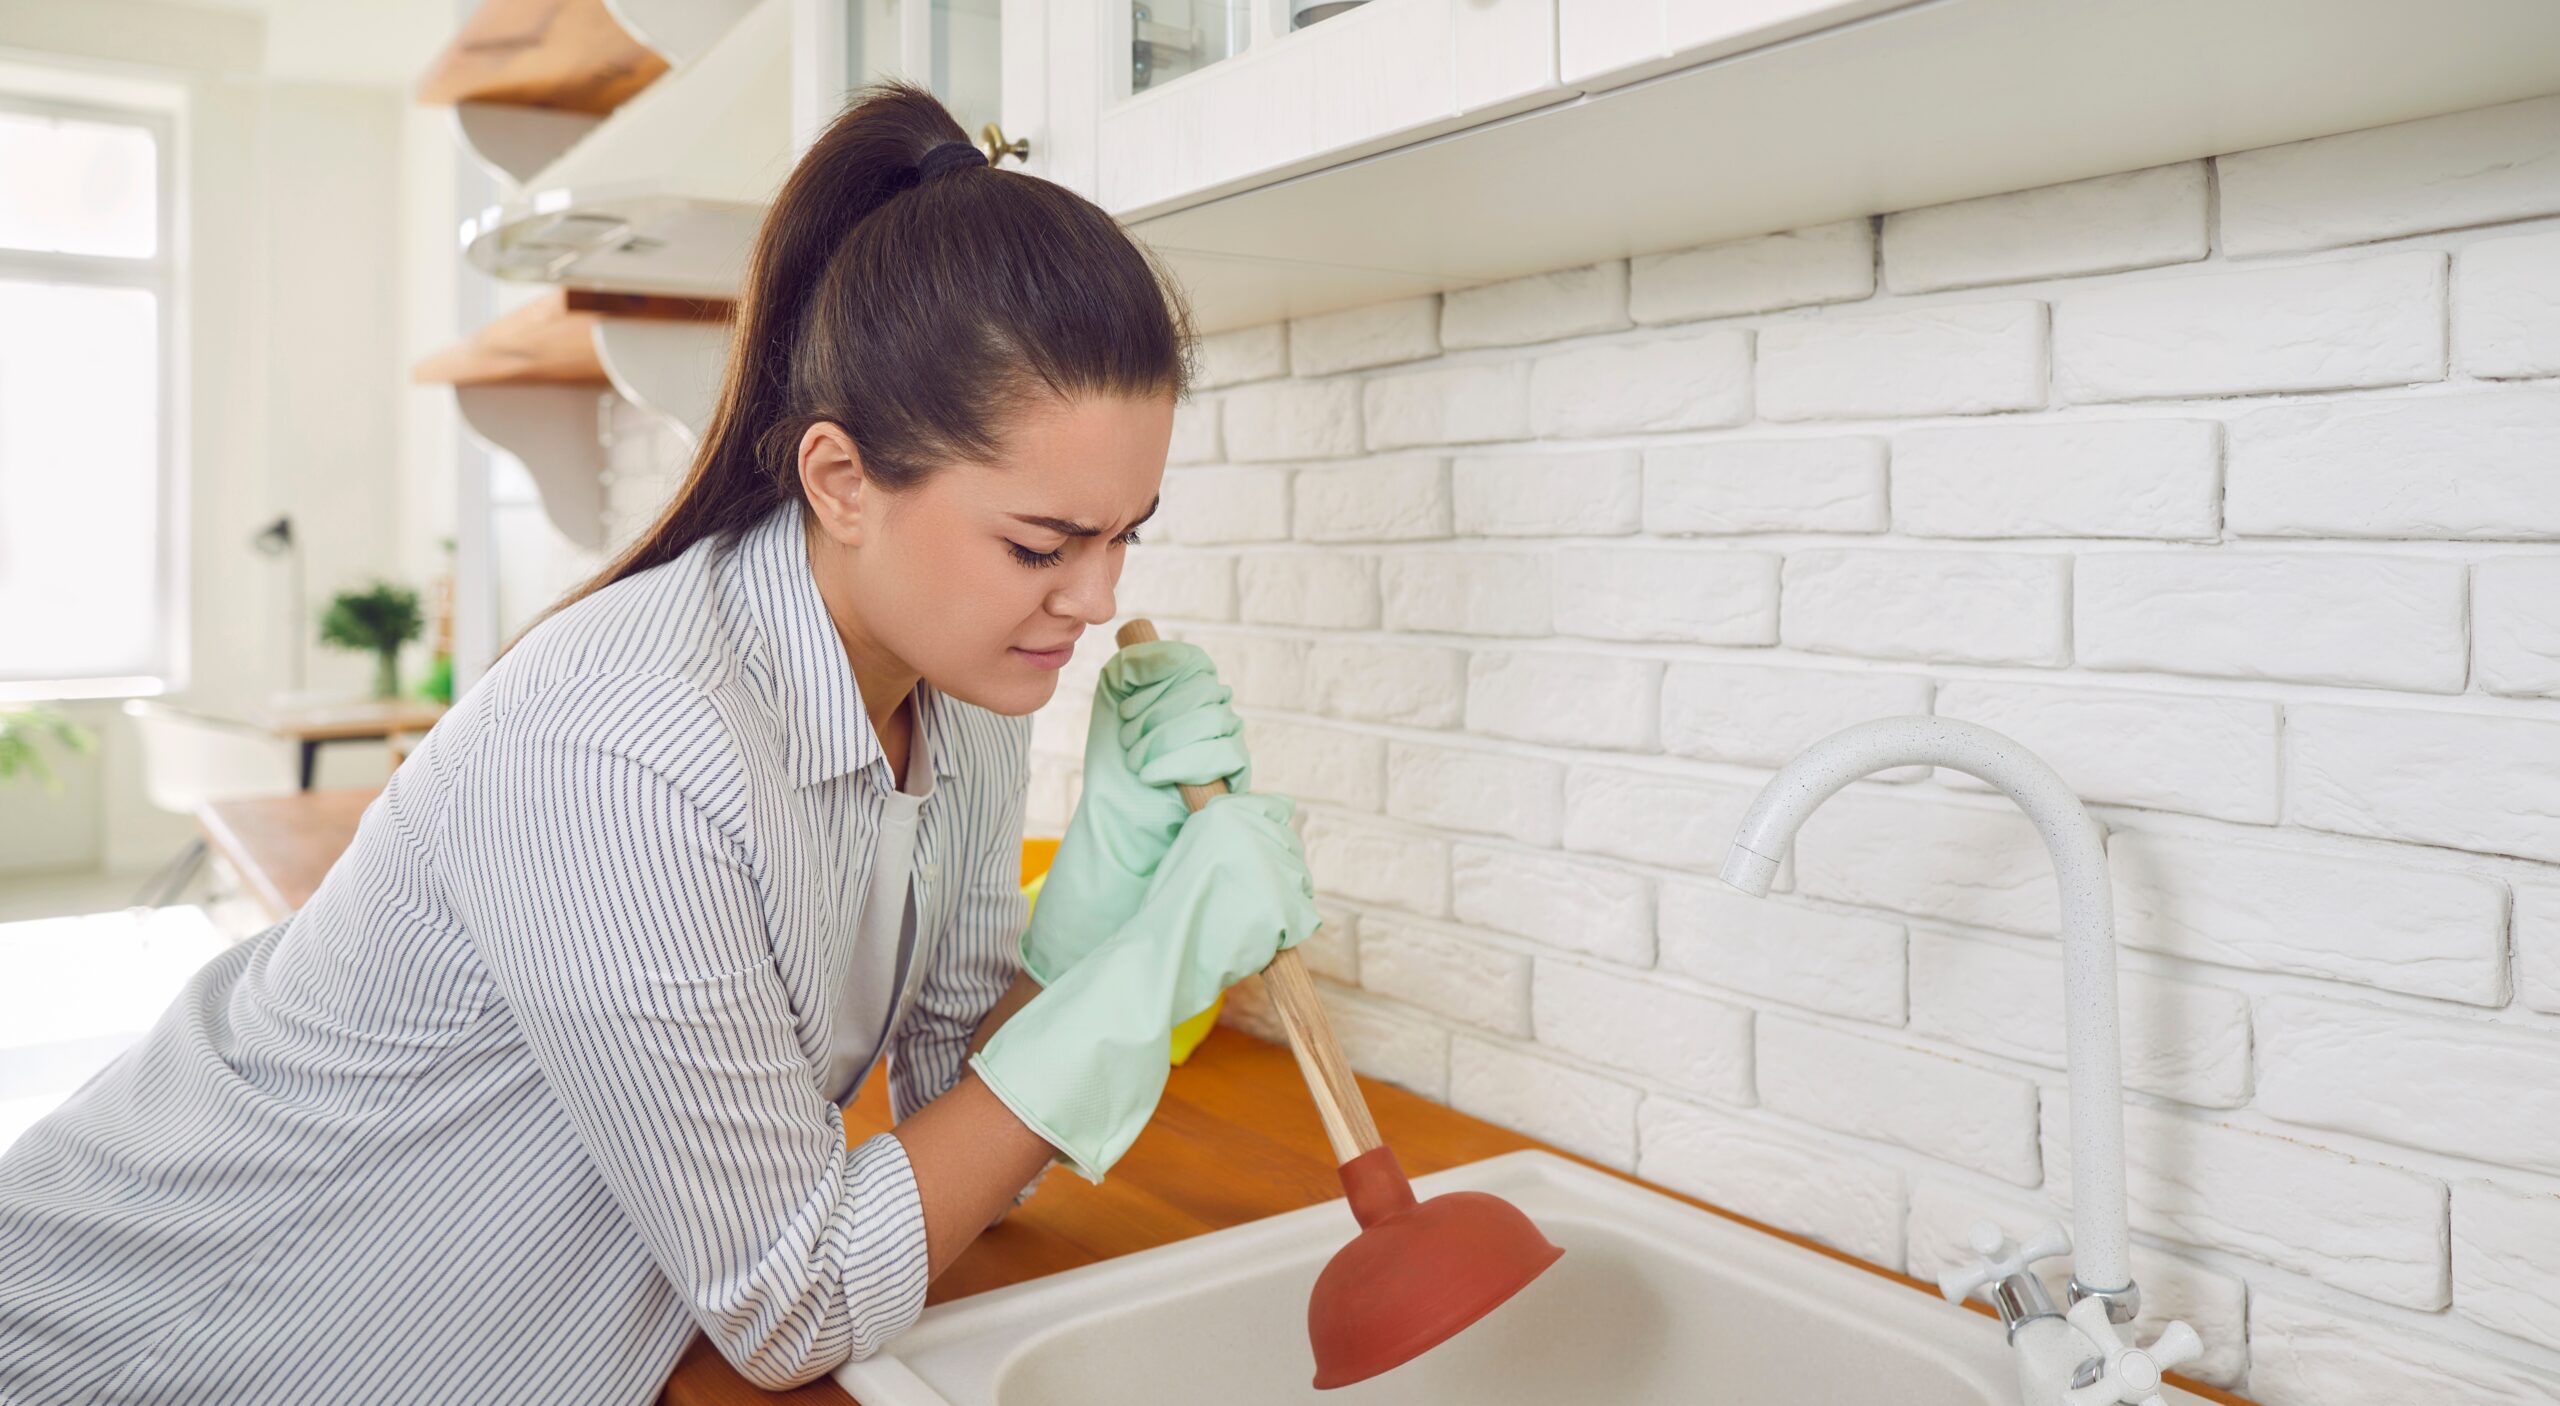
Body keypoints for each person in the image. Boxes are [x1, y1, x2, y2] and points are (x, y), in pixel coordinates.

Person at [0, 79, 1319, 1404]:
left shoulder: (954, 695)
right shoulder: (627, 751)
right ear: (840, 481)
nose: (1095, 602)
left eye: (1123, 535)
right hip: (148, 1351)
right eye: (1042, 544)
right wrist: (1150, 971)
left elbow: (966, 1131)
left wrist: (1103, 906)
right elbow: (793, 1299)